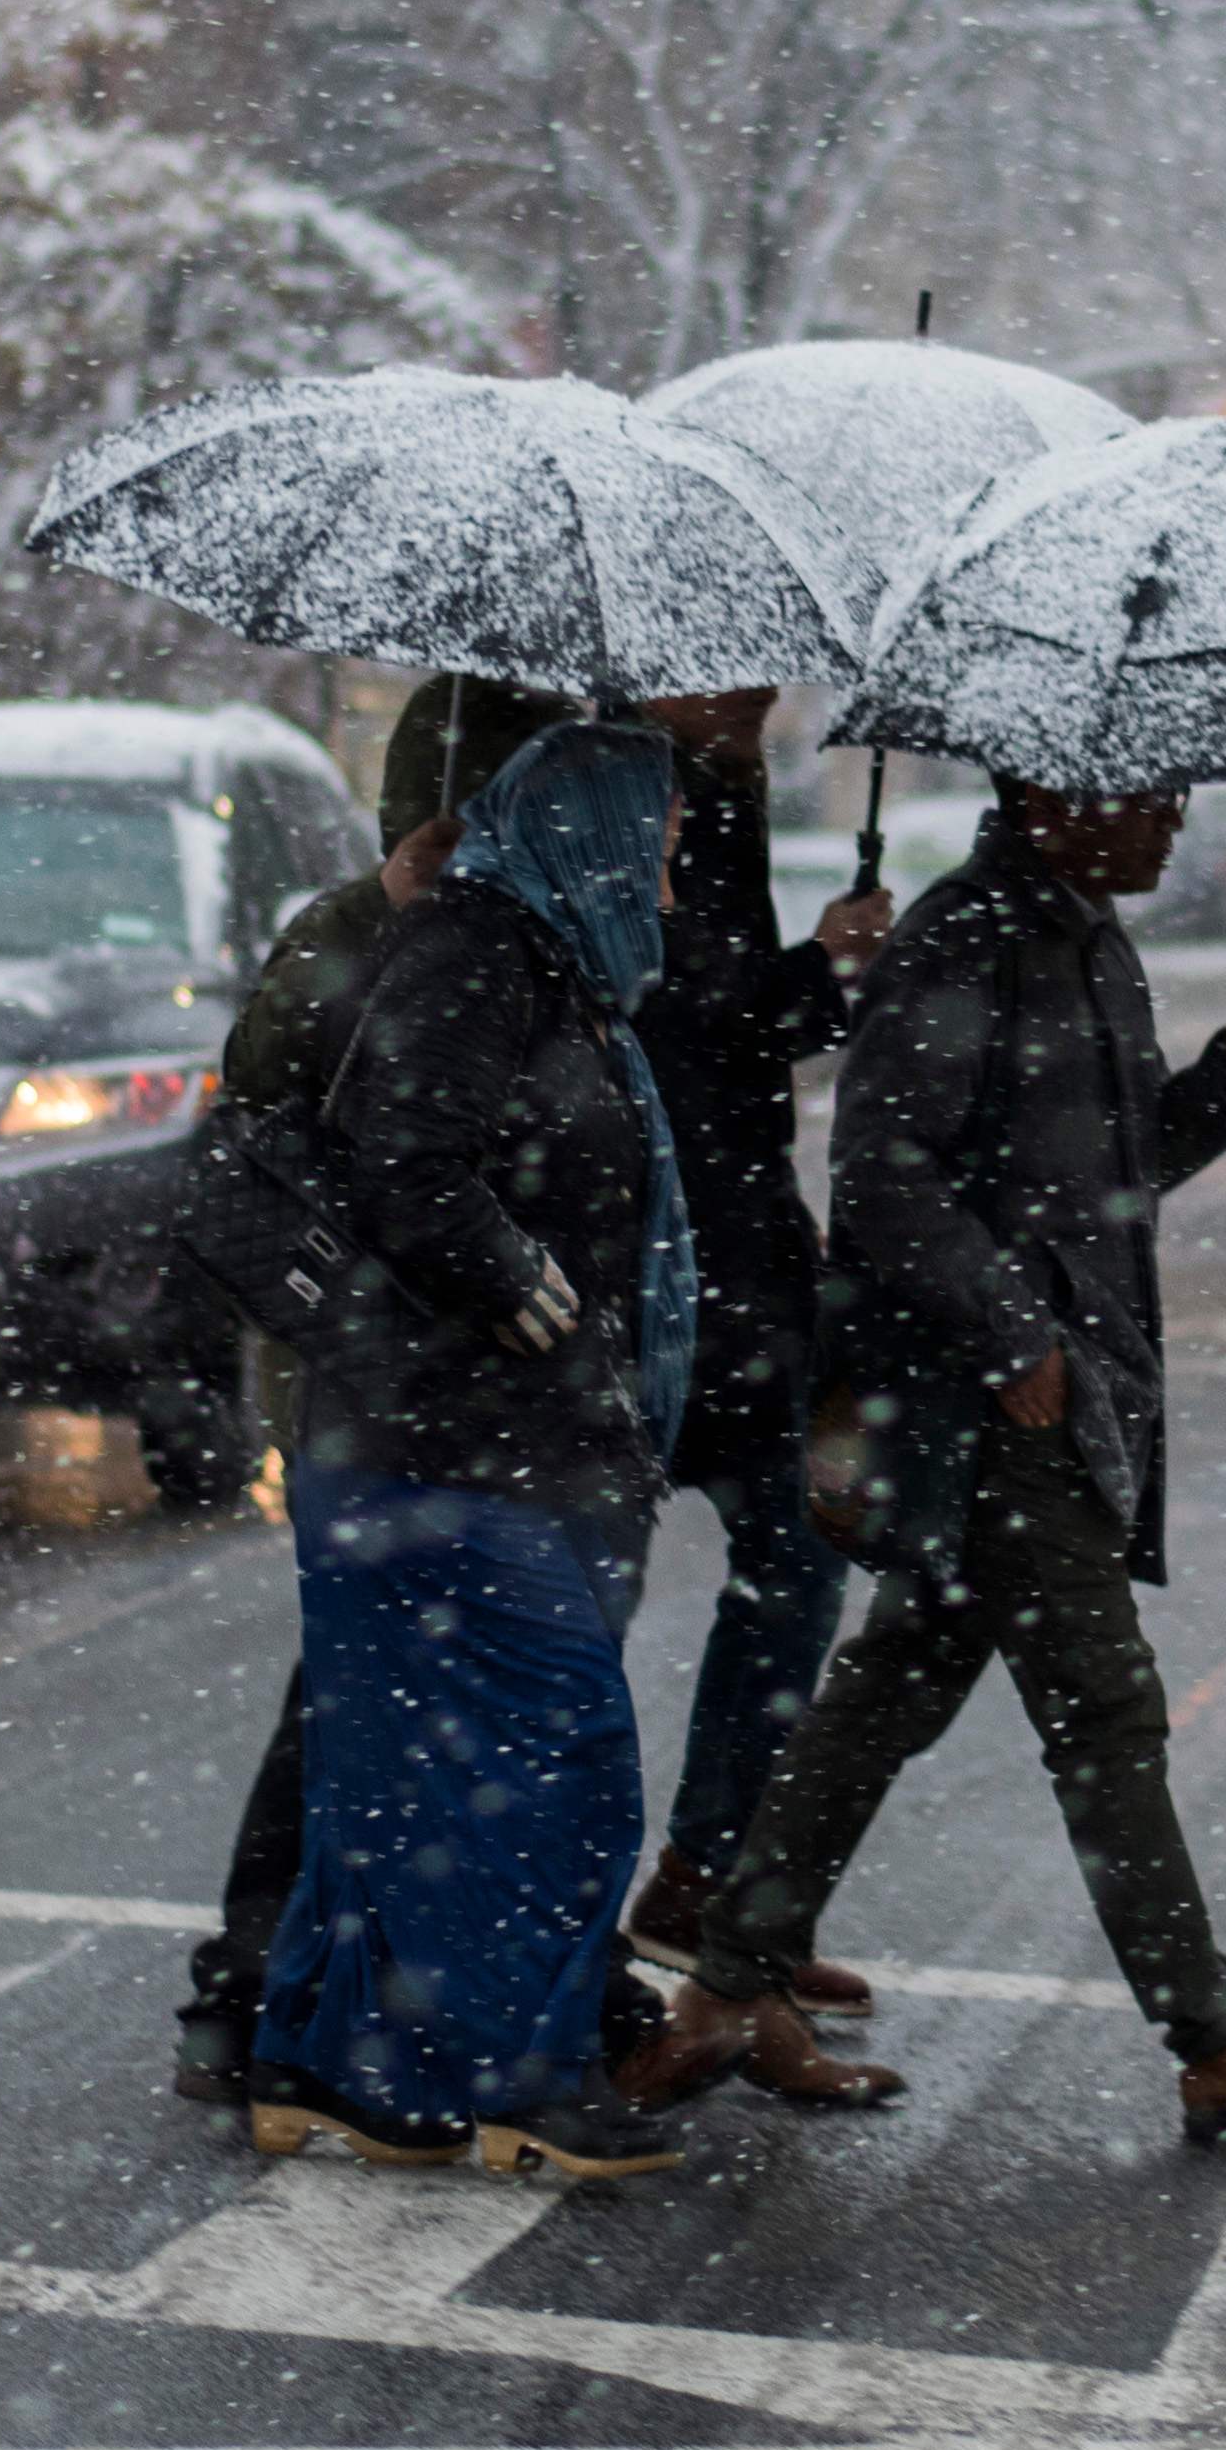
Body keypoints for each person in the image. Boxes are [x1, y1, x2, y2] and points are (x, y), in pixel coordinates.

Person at [631, 774, 1226, 2141]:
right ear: (1056, 792)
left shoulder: (1088, 940)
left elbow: (1108, 1173)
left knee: (891, 1683)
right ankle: (1217, 2035)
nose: (1171, 818)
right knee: (1104, 1712)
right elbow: (880, 1175)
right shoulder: (962, 939)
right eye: (1150, 792)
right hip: (990, 1403)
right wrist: (1006, 1332)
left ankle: (726, 1986)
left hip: (1056, 1384)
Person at [248, 716, 706, 2180]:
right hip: (440, 1439)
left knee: (399, 1779)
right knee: (563, 1762)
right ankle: (524, 2072)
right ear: (587, 836)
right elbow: (406, 1163)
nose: (676, 871)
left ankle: (335, 2065)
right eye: (661, 841)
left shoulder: (556, 968)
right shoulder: (476, 954)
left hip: (439, 1437)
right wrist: (512, 1275)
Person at [167, 673, 557, 2105]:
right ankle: (259, 1978)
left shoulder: (523, 947)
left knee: (434, 1676)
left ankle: (381, 1974)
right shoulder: (350, 936)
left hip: (469, 1363)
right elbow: (265, 1129)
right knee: (361, 1674)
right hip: (369, 1367)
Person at [614, 688, 896, 2008]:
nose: (764, 694)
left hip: (739, 1250)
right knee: (577, 1606)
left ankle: (711, 1889)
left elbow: (732, 1038)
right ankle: (590, 1937)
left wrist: (822, 976)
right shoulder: (616, 792)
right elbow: (666, 1023)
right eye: (732, 668)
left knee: (795, 1559)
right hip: (641, 1264)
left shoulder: (720, 790)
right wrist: (810, 973)